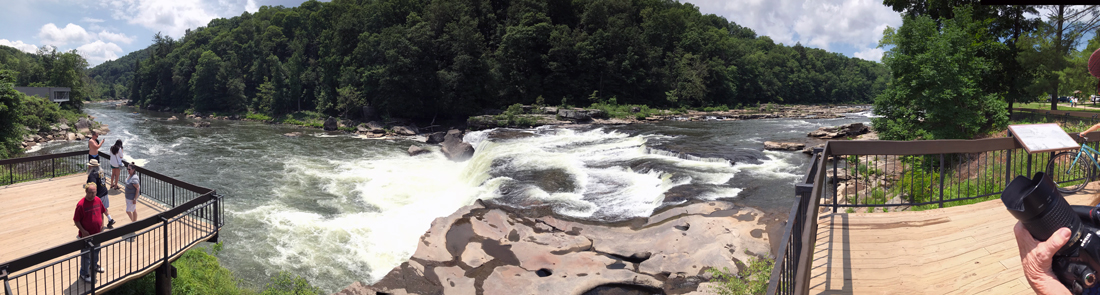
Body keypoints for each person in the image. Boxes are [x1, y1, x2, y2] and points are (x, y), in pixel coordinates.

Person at [74, 182, 106, 283]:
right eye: (91, 192)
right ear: (86, 191)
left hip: (97, 233)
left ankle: (94, 265)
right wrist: (83, 231)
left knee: (96, 251)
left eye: (94, 192)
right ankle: (84, 273)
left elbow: (102, 212)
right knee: (86, 254)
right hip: (86, 236)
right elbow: (76, 220)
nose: (93, 194)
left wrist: (102, 224)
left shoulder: (98, 200)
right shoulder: (81, 204)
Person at [86, 160, 115, 229]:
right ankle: (110, 219)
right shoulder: (101, 172)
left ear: (91, 167)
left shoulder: (93, 174)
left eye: (89, 165)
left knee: (99, 210)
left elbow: (93, 185)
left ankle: (101, 226)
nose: (88, 166)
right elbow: (104, 180)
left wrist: (92, 195)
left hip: (99, 194)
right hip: (104, 191)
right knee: (104, 208)